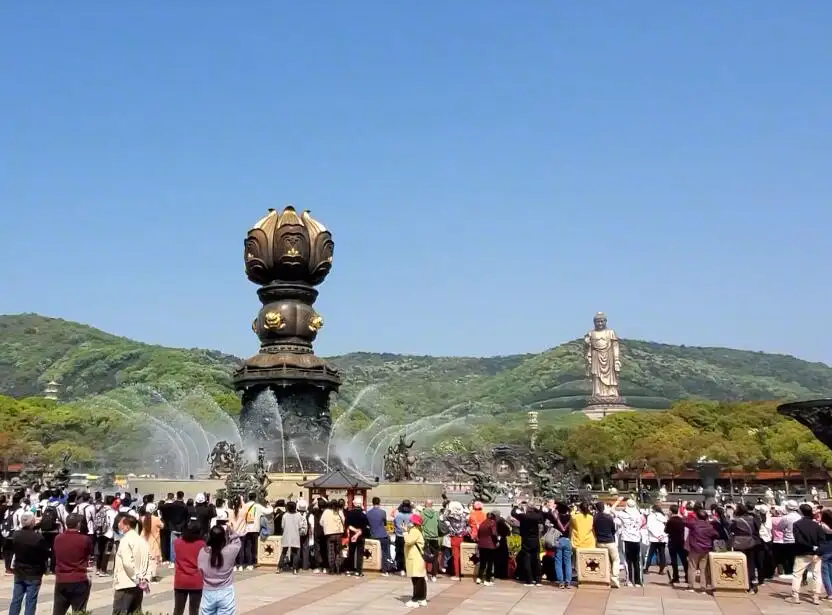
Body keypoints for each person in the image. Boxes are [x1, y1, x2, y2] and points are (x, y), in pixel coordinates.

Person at [52, 513, 94, 615]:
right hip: (79, 578)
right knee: (78, 611)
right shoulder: (85, 539)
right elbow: (88, 554)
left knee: (58, 611)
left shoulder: (58, 538)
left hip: (62, 578)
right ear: (78, 524)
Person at [9, 512, 48, 615]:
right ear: (33, 523)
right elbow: (44, 555)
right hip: (34, 572)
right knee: (30, 601)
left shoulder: (16, 535)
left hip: (19, 571)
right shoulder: (38, 538)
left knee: (16, 599)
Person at [198, 524, 242, 615]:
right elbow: (237, 542)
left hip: (208, 592)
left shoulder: (203, 552)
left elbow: (200, 571)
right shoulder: (230, 551)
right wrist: (231, 531)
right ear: (223, 538)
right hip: (225, 592)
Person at [112, 513, 150, 615]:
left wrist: (136, 578)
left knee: (120, 611)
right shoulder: (142, 540)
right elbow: (149, 562)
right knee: (136, 611)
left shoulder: (125, 540)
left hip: (126, 585)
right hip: (139, 584)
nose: (118, 525)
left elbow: (127, 563)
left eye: (120, 523)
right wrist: (145, 579)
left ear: (127, 526)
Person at [789, 503, 824, 605]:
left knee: (797, 575)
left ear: (801, 512)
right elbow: (822, 540)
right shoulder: (816, 525)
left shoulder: (797, 524)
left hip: (802, 552)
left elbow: (799, 540)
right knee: (817, 575)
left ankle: (795, 596)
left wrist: (810, 547)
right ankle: (816, 597)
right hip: (816, 553)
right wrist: (817, 550)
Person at [172, 521, 205, 615]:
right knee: (194, 610)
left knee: (178, 610)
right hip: (196, 581)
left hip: (180, 581)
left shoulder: (177, 543)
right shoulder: (202, 544)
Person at [729, 503, 763, 593]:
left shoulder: (736, 521)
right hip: (751, 543)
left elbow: (731, 529)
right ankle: (751, 584)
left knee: (740, 563)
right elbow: (757, 529)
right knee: (750, 563)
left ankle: (742, 582)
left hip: (739, 543)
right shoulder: (753, 519)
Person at [511, 501, 545, 587]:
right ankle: (537, 580)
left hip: (526, 539)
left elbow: (513, 513)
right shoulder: (537, 516)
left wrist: (516, 506)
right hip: (535, 539)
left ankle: (529, 580)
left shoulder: (524, 516)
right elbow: (541, 514)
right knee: (536, 559)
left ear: (528, 507)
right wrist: (537, 508)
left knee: (527, 559)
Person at [684, 507, 718, 592]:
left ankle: (691, 587)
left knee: (692, 567)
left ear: (697, 516)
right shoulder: (710, 526)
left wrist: (685, 514)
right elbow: (716, 534)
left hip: (695, 548)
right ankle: (703, 587)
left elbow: (684, 522)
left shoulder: (694, 524)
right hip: (706, 549)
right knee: (703, 569)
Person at [615, 499, 644, 587]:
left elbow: (610, 510)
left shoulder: (622, 514)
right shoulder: (639, 514)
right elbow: (642, 524)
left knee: (628, 561)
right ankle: (638, 581)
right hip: (636, 539)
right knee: (637, 561)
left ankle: (630, 581)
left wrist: (618, 501)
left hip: (626, 539)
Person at [240, 492, 272, 571]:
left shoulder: (245, 506)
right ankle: (253, 562)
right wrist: (269, 505)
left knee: (247, 546)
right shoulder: (258, 506)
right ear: (255, 498)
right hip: (255, 529)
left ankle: (247, 563)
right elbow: (268, 511)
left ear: (248, 497)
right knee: (254, 547)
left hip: (246, 529)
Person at [592, 501, 620, 589]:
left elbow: (593, 529)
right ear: (603, 508)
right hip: (610, 540)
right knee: (615, 560)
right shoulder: (608, 517)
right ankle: (614, 577)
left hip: (599, 541)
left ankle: (605, 577)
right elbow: (613, 529)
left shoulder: (594, 518)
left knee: (604, 560)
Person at [404, 512, 428, 608]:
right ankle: (422, 598)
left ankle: (415, 599)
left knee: (416, 579)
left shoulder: (414, 531)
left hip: (415, 558)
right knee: (420, 579)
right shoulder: (418, 530)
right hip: (417, 558)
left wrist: (405, 532)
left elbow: (408, 541)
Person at [161, 492, 190, 568]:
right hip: (181, 528)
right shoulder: (185, 506)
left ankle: (173, 561)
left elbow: (162, 507)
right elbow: (187, 518)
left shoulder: (172, 505)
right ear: (183, 496)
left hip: (173, 527)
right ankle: (181, 560)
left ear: (176, 496)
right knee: (181, 546)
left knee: (173, 546)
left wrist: (165, 500)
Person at [366, 497, 392, 576]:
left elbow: (368, 524)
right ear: (379, 503)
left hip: (373, 535)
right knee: (385, 553)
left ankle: (373, 567)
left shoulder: (368, 513)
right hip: (382, 535)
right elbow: (385, 524)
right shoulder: (383, 512)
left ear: (372, 503)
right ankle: (385, 570)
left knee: (374, 553)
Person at [278, 500, 305, 575]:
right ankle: (295, 569)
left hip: (286, 535)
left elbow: (282, 526)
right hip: (295, 535)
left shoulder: (285, 515)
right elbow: (300, 526)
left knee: (284, 552)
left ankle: (279, 567)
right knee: (295, 553)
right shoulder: (298, 515)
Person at [344, 496, 369, 577]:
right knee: (360, 554)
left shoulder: (349, 513)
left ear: (353, 504)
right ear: (361, 504)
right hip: (361, 536)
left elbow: (347, 525)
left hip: (352, 535)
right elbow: (365, 527)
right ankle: (358, 571)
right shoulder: (363, 515)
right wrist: (358, 533)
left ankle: (349, 570)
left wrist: (354, 532)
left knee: (351, 552)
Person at [664, 504, 688, 586]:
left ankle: (676, 577)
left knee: (674, 560)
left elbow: (666, 531)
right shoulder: (681, 520)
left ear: (671, 511)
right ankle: (687, 576)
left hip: (672, 542)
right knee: (684, 560)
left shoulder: (670, 521)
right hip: (681, 542)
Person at [320, 499, 344, 575]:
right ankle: (338, 569)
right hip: (339, 534)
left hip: (329, 534)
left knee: (331, 552)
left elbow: (321, 522)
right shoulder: (339, 511)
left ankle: (332, 569)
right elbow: (343, 521)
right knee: (338, 552)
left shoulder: (326, 512)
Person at [552, 502, 572, 588]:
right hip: (567, 540)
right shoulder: (570, 517)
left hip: (558, 540)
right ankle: (568, 582)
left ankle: (561, 582)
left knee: (558, 562)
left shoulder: (556, 518)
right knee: (568, 562)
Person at [644, 504, 667, 576]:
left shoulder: (650, 517)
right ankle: (661, 570)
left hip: (654, 538)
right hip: (662, 538)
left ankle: (646, 568)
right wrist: (662, 535)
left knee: (650, 554)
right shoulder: (663, 517)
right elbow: (666, 527)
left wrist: (656, 535)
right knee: (662, 554)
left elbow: (649, 527)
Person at [476, 511, 498, 586]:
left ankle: (479, 578)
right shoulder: (492, 523)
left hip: (481, 545)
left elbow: (478, 534)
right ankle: (487, 580)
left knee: (482, 562)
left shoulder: (482, 523)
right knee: (490, 563)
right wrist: (497, 541)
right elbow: (494, 533)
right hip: (490, 545)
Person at [420, 499, 440, 582]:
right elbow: (438, 524)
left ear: (425, 504)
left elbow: (420, 523)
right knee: (435, 557)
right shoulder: (436, 513)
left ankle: (424, 574)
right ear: (432, 505)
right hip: (435, 537)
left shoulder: (422, 513)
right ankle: (434, 575)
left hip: (426, 537)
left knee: (424, 556)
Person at [393, 500, 413, 575]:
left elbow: (395, 524)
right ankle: (407, 568)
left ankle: (401, 569)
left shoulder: (398, 515)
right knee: (408, 553)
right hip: (408, 536)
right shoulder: (411, 515)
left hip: (399, 536)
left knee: (400, 553)